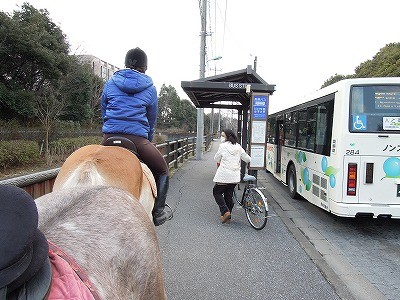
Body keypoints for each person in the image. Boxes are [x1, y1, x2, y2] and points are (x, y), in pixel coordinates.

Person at [100, 47, 172, 226]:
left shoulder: (110, 83)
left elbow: (104, 110)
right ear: (145, 67)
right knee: (163, 170)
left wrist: (109, 129)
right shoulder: (150, 88)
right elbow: (151, 118)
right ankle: (158, 212)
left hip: (108, 137)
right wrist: (148, 137)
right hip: (137, 140)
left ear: (125, 64)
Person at [213, 129, 251, 224]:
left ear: (227, 137)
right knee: (228, 195)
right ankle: (228, 218)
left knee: (216, 192)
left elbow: (216, 158)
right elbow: (247, 158)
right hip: (234, 177)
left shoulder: (222, 146)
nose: (221, 137)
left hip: (224, 175)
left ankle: (225, 212)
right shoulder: (238, 147)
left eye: (223, 136)